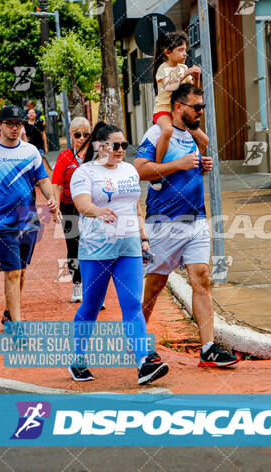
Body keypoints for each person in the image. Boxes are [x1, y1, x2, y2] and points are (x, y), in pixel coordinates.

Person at [134, 83, 243, 368]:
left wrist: (199, 165)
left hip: (196, 218)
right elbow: (140, 169)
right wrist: (179, 165)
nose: (201, 112)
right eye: (197, 107)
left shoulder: (191, 136)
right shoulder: (158, 134)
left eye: (202, 107)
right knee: (155, 285)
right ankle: (137, 340)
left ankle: (207, 348)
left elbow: (190, 165)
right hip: (163, 222)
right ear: (179, 107)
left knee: (202, 278)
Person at [68, 122, 169, 384]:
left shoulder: (129, 170)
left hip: (129, 247)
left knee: (133, 304)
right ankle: (77, 359)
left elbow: (136, 207)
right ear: (99, 147)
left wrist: (144, 238)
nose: (121, 149)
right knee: (91, 306)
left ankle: (143, 362)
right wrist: (97, 211)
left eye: (124, 144)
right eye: (116, 145)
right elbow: (81, 203)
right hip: (96, 249)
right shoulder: (84, 173)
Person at [0, 105, 59, 324]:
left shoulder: (30, 152)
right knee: (13, 272)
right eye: (9, 123)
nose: (14, 128)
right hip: (2, 222)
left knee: (20, 269)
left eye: (18, 124)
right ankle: (18, 327)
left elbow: (43, 180)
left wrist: (51, 197)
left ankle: (10, 314)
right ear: (0, 125)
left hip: (28, 218)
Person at [151, 31, 208, 190]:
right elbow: (169, 86)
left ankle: (196, 165)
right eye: (180, 50)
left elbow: (193, 90)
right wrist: (186, 73)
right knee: (167, 130)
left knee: (204, 139)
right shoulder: (163, 68)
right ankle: (157, 168)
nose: (185, 54)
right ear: (167, 52)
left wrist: (196, 76)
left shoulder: (183, 67)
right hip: (163, 111)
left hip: (179, 114)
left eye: (185, 50)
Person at [52, 117, 91, 303]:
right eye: (78, 134)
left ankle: (93, 290)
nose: (82, 138)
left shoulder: (96, 156)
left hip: (91, 209)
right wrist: (56, 207)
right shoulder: (65, 157)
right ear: (71, 135)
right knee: (73, 247)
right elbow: (57, 184)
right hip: (70, 207)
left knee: (93, 247)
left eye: (86, 134)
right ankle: (77, 286)